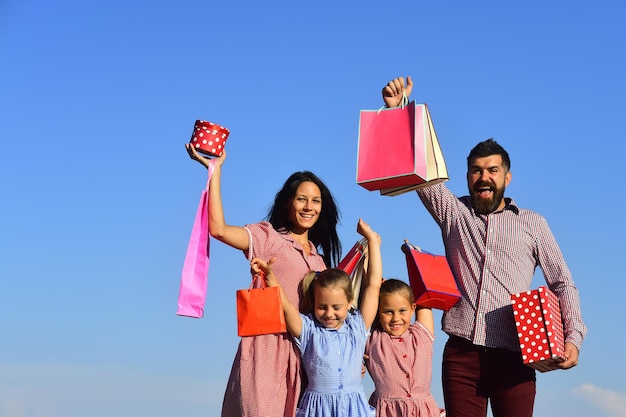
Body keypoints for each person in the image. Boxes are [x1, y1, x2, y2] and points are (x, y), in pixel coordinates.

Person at [380, 76, 588, 417]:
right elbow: (419, 173)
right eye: (475, 171)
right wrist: (398, 111)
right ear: (467, 178)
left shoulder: (533, 223)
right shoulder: (454, 213)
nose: (483, 177)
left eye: (492, 170)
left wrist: (574, 338)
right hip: (461, 355)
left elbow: (562, 282)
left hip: (516, 354)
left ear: (507, 177)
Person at [185, 145, 342, 417]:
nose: (309, 207)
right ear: (286, 203)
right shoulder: (269, 238)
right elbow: (218, 230)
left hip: (309, 361)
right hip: (268, 351)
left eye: (315, 201)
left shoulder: (320, 261)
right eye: (301, 199)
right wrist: (215, 171)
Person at [251, 218, 381, 417]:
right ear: (314, 303)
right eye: (322, 307)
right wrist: (269, 277)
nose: (329, 313)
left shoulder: (357, 326)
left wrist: (371, 240)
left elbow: (373, 286)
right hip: (318, 410)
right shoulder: (309, 330)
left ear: (349, 301)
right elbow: (285, 305)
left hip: (354, 409)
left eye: (336, 307)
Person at [365, 279, 445, 417]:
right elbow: (369, 290)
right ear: (377, 312)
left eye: (402, 310)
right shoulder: (373, 340)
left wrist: (411, 256)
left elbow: (423, 287)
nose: (396, 318)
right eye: (388, 312)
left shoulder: (421, 336)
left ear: (413, 308)